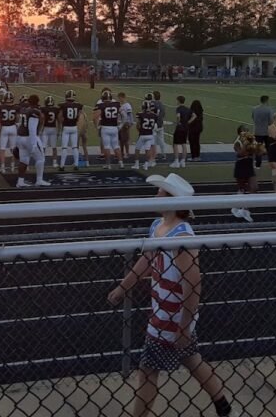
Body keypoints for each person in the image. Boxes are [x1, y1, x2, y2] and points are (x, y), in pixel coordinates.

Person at [107, 173, 234, 417]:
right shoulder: (157, 227)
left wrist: (183, 327)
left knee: (147, 370)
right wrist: (123, 287)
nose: (156, 196)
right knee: (192, 360)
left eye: (161, 192)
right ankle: (224, 407)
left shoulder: (182, 238)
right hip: (162, 310)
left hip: (171, 317)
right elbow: (146, 259)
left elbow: (193, 285)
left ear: (172, 201)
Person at [16, 94, 50, 187]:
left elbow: (20, 124)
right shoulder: (34, 111)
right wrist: (34, 142)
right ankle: (39, 180)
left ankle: (20, 181)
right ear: (37, 102)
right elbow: (32, 127)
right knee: (41, 158)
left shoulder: (24, 109)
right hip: (29, 137)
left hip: (20, 137)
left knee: (24, 160)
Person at [94, 89, 124, 170]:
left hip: (105, 128)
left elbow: (95, 117)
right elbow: (124, 115)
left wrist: (97, 126)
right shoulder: (116, 104)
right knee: (116, 146)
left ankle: (108, 164)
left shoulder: (101, 105)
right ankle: (121, 163)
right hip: (114, 128)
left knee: (106, 147)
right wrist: (121, 125)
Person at [231, 126, 256, 222]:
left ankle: (245, 210)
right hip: (241, 166)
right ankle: (236, 207)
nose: (245, 132)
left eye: (246, 130)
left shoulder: (251, 141)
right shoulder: (237, 142)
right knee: (242, 189)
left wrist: (257, 148)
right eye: (243, 131)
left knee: (254, 187)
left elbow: (257, 152)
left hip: (249, 166)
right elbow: (240, 153)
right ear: (239, 133)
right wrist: (247, 145)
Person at [59, 89, 83, 171]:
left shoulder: (63, 105)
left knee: (64, 147)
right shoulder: (78, 105)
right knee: (75, 147)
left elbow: (60, 117)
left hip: (66, 127)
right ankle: (76, 165)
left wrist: (61, 124)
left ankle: (62, 165)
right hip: (74, 127)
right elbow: (79, 116)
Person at [133, 100, 158, 170]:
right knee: (147, 149)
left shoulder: (140, 114)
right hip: (150, 134)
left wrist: (139, 130)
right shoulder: (154, 115)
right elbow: (153, 126)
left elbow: (138, 124)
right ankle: (146, 165)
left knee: (137, 149)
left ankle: (136, 164)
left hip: (143, 134)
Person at [251, 96, 273, 169]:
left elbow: (253, 118)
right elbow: (271, 121)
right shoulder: (269, 109)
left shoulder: (255, 109)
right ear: (266, 101)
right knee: (269, 148)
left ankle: (258, 165)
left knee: (258, 149)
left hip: (257, 131)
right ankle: (271, 163)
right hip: (267, 131)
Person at [170, 96, 192, 168]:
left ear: (179, 101)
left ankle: (176, 161)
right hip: (186, 127)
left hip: (180, 128)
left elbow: (178, 116)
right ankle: (183, 161)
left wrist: (178, 122)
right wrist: (188, 122)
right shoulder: (187, 109)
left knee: (175, 144)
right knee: (183, 144)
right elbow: (194, 115)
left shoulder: (179, 108)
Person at [151, 90, 167, 161]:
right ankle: (164, 154)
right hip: (160, 123)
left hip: (154, 124)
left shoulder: (152, 104)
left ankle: (155, 154)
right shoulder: (162, 104)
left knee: (153, 141)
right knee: (161, 140)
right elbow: (163, 114)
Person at [118, 92, 134, 159]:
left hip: (125, 124)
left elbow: (130, 115)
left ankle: (127, 153)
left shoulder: (127, 105)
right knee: (121, 140)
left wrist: (130, 123)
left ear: (123, 97)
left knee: (125, 140)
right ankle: (122, 152)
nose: (119, 99)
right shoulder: (121, 105)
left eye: (120, 98)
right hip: (121, 124)